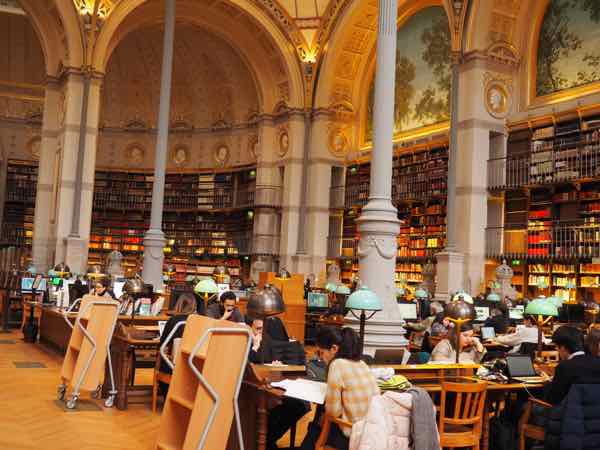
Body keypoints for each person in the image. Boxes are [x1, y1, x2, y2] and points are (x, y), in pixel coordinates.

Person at [300, 327, 380, 450]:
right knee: (320, 417)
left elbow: (333, 412)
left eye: (321, 352)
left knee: (319, 419)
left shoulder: (336, 364)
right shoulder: (362, 364)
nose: (320, 358)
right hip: (371, 432)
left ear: (334, 349)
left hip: (352, 435)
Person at [245, 316, 309, 450]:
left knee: (300, 404)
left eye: (262, 330)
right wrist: (255, 346)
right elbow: (251, 366)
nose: (259, 333)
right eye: (257, 329)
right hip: (258, 389)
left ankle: (269, 439)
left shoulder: (282, 344)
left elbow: (299, 366)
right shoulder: (249, 342)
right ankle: (265, 440)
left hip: (281, 387)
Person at [544, 326, 600, 405]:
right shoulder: (597, 362)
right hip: (595, 414)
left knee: (525, 404)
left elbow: (552, 400)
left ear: (563, 347)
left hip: (567, 414)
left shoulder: (564, 367)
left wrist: (548, 383)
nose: (557, 350)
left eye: (556, 347)